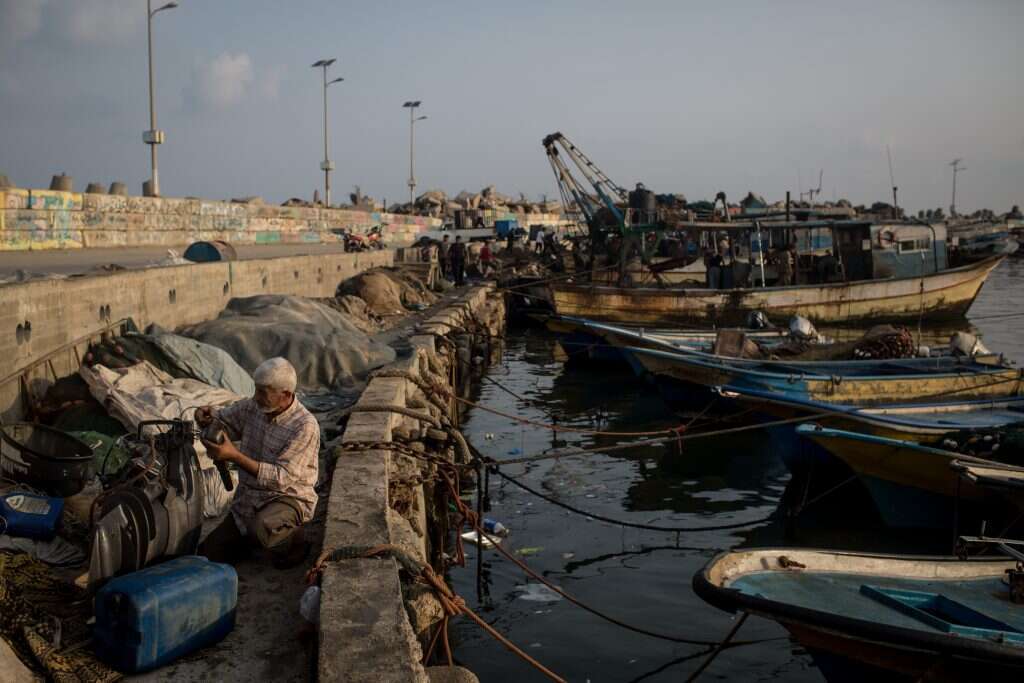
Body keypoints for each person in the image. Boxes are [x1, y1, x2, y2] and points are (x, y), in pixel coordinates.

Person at [197, 357, 319, 569]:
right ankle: (253, 540)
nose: (256, 396)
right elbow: (224, 420)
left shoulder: (304, 426)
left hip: (286, 497)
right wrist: (205, 416)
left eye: (263, 392)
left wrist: (234, 456)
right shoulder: (253, 406)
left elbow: (281, 479)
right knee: (208, 554)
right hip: (249, 499)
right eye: (256, 389)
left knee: (262, 529)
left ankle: (297, 540)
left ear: (286, 395)